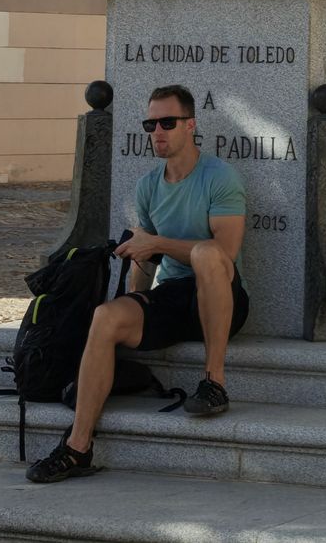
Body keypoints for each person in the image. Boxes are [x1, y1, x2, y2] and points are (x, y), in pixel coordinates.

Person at [27, 84, 249, 483]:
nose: (158, 131)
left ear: (190, 125)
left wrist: (157, 243)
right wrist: (134, 301)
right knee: (107, 315)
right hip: (171, 297)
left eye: (168, 122)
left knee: (206, 255)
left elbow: (226, 253)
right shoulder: (148, 185)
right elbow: (144, 259)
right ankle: (78, 447)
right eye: (151, 123)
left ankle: (214, 382)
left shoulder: (219, 177)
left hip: (219, 294)